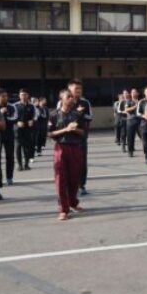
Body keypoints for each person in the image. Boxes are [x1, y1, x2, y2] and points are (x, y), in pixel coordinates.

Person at [48, 89, 86, 221]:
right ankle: (63, 209)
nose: (71, 98)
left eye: (72, 97)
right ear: (61, 99)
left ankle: (73, 203)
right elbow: (50, 134)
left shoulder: (77, 114)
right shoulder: (54, 115)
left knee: (74, 178)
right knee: (60, 179)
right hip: (61, 149)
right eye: (68, 97)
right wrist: (66, 129)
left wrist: (76, 129)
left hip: (75, 148)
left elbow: (83, 133)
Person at [64, 79, 93, 196]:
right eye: (76, 89)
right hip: (67, 137)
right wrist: (76, 113)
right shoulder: (63, 102)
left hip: (81, 136)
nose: (78, 91)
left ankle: (82, 185)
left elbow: (90, 117)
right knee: (67, 163)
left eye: (80, 89)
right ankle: (68, 186)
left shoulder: (85, 103)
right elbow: (61, 117)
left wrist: (81, 114)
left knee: (82, 162)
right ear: (69, 89)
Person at [0, 88, 17, 185]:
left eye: (6, 96)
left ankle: (9, 177)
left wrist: (4, 115)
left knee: (10, 157)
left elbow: (15, 118)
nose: (6, 98)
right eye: (3, 96)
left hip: (9, 135)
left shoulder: (12, 106)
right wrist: (0, 113)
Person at [14, 88, 37, 171]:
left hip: (28, 129)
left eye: (25, 94)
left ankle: (26, 164)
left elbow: (35, 115)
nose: (23, 96)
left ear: (28, 95)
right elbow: (12, 117)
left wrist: (33, 120)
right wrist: (17, 122)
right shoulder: (15, 106)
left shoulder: (31, 106)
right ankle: (19, 165)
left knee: (27, 147)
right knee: (18, 147)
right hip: (18, 129)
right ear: (19, 96)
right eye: (22, 95)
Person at [136, 87, 147, 165]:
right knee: (145, 141)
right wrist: (144, 116)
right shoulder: (141, 102)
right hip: (144, 124)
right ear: (145, 93)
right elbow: (138, 113)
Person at [124, 88, 141, 158]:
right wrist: (134, 107)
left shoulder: (141, 101)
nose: (134, 93)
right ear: (131, 94)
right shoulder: (128, 101)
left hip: (140, 121)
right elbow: (126, 110)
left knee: (144, 137)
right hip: (131, 121)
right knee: (130, 137)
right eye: (132, 92)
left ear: (138, 93)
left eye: (135, 92)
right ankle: (130, 151)